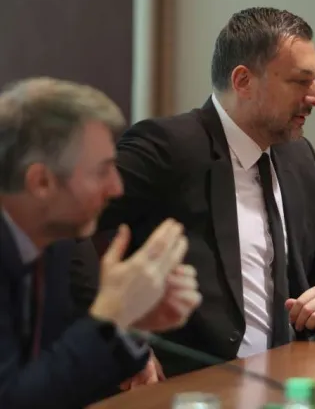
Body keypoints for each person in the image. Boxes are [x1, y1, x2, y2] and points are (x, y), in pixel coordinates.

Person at [98, 7, 315, 377]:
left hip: (288, 377)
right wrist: (124, 347)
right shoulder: (167, 147)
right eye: (301, 81)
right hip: (193, 384)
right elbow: (69, 239)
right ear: (243, 81)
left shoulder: (299, 157)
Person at [0, 78, 202, 408]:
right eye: (102, 171)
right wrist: (111, 316)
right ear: (41, 182)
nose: (117, 188)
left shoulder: (54, 241)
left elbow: (53, 378)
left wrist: (130, 324)